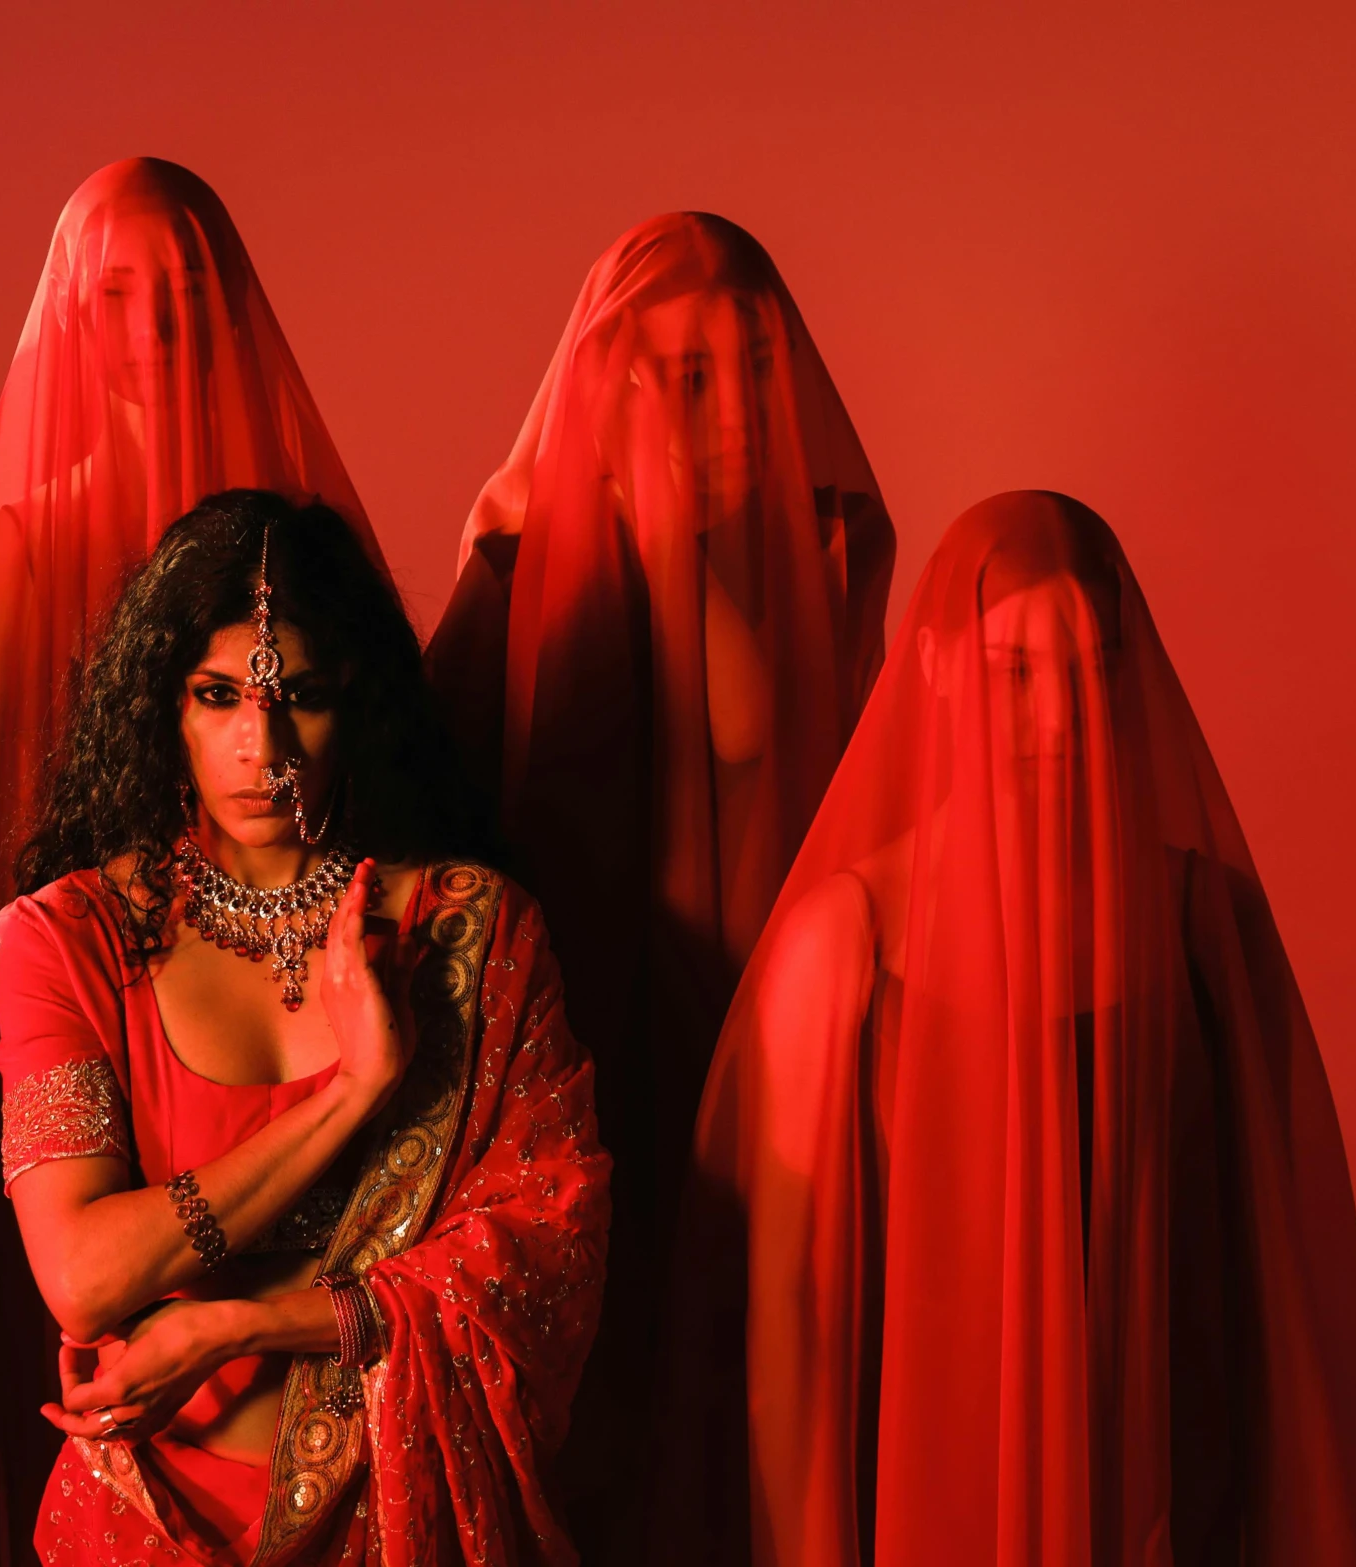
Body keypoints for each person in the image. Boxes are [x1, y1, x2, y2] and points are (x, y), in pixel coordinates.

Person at [672, 492, 1356, 1564]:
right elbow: (791, 1326)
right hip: (921, 1517)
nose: (1059, 717)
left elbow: (1264, 1299)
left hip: (1160, 1511)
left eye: (1092, 666)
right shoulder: (846, 945)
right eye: (1015, 671)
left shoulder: (1202, 926)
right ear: (934, 667)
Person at [0, 490, 608, 1564]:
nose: (261, 745)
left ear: (356, 705)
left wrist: (235, 1323)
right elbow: (83, 1276)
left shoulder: (473, 931)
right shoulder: (69, 938)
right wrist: (353, 1095)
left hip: (400, 1514)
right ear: (161, 706)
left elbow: (545, 1256)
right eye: (218, 694)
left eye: (301, 698)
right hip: (145, 1528)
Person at [425, 211, 893, 1557]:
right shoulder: (515, 566)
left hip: (748, 1030)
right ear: (611, 383)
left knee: (752, 1385)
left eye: (749, 369)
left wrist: (673, 524)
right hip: (562, 1060)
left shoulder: (816, 550)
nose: (734, 409)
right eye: (682, 376)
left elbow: (755, 739)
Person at [0, 157, 381, 1033]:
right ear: (70, 315)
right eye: (114, 295)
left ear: (229, 306)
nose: (155, 326)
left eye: (186, 288)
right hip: (92, 990)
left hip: (302, 977)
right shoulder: (12, 549)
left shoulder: (313, 542)